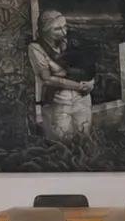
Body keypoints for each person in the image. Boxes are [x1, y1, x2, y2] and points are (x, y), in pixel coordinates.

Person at [27, 9, 93, 140]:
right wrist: (79, 85)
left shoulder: (71, 42)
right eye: (57, 29)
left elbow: (88, 66)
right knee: (62, 140)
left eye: (65, 27)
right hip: (58, 99)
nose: (64, 32)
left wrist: (91, 82)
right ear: (45, 30)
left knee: (85, 137)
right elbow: (47, 79)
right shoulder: (36, 48)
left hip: (82, 98)